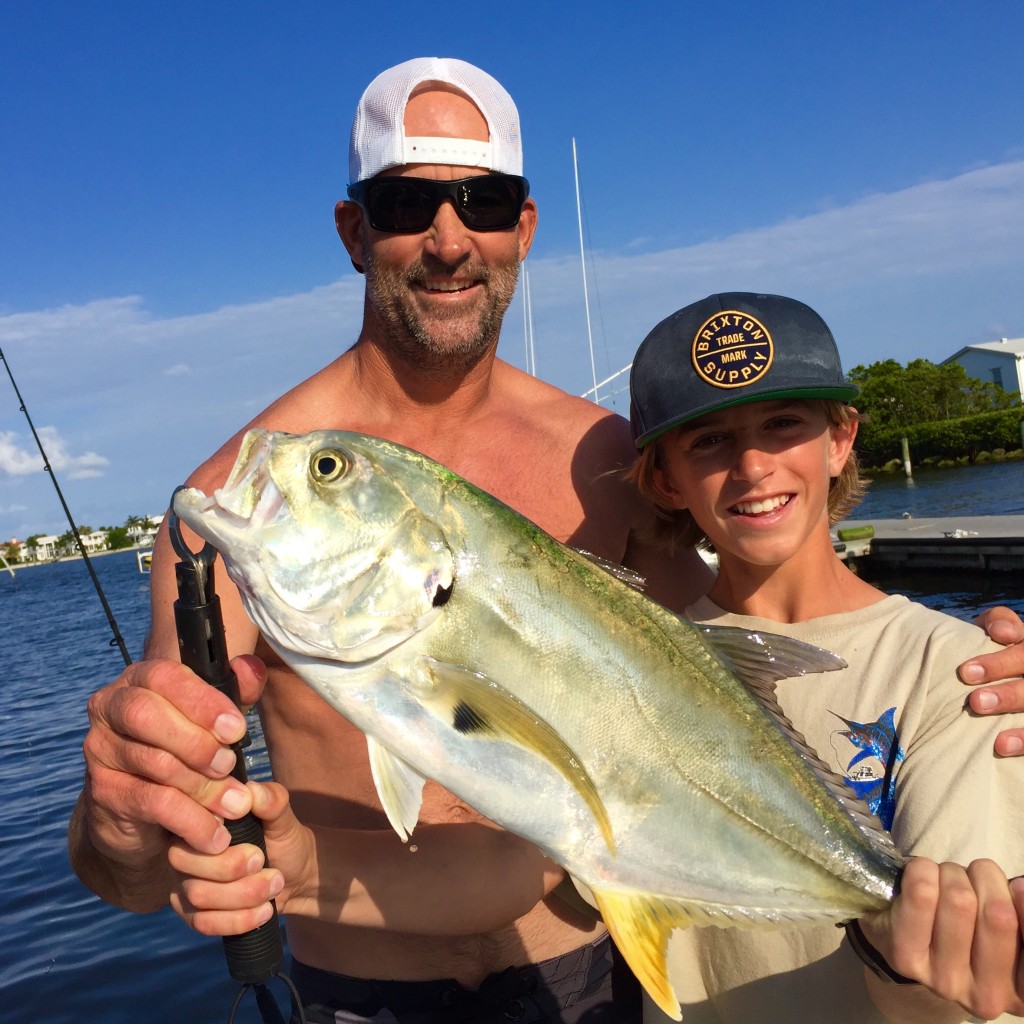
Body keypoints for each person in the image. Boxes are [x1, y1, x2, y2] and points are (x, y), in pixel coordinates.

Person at [67, 58, 1024, 1024]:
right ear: (355, 232)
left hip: (602, 980)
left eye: (482, 202)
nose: (449, 240)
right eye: (407, 203)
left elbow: (739, 659)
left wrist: (977, 675)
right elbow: (142, 872)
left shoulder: (602, 458)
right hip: (361, 996)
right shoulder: (241, 504)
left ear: (522, 229)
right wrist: (123, 820)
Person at [626, 291, 1024, 1023]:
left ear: (839, 440)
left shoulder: (961, 669)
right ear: (665, 479)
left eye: (782, 425)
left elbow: (960, 989)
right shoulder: (627, 667)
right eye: (707, 440)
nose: (751, 465)